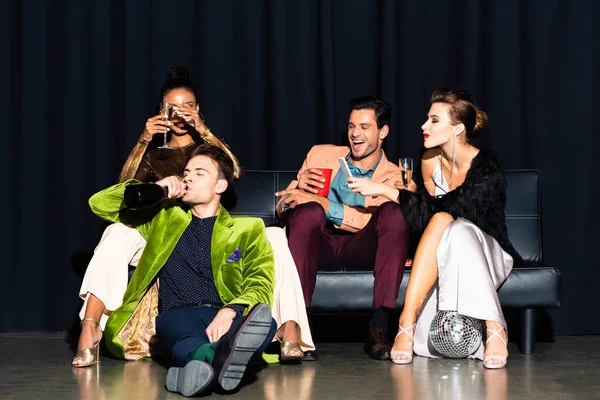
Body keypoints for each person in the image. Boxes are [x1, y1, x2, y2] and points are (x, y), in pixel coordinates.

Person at [72, 66, 314, 367]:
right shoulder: (155, 152)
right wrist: (143, 141)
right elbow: (125, 193)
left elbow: (233, 172)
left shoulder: (208, 147)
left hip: (206, 227)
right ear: (162, 111)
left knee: (275, 235)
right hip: (160, 226)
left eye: (188, 106)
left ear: (197, 109)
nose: (180, 113)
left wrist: (204, 130)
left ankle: (289, 327)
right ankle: (91, 325)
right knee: (116, 231)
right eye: (172, 107)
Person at [348, 88, 521, 369]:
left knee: (454, 225)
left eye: (434, 120)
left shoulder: (489, 165)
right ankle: (410, 322)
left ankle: (490, 327)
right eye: (427, 119)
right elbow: (428, 218)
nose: (423, 126)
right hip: (445, 258)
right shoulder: (429, 161)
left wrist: (387, 191)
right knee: (442, 222)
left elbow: (457, 209)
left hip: (489, 255)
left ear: (458, 129)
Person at [89, 144, 277, 396]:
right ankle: (221, 358)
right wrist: (158, 189)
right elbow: (100, 204)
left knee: (267, 323)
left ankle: (194, 369)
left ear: (220, 186)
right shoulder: (163, 218)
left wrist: (230, 311)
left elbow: (260, 282)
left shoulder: (248, 229)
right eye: (186, 172)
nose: (188, 177)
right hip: (180, 313)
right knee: (180, 331)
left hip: (226, 314)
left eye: (200, 173)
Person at [276, 96, 410, 360]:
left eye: (364, 127)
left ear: (383, 131)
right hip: (319, 243)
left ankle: (379, 326)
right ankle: (300, 328)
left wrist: (323, 203)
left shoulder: (394, 176)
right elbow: (283, 210)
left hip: (363, 246)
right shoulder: (320, 154)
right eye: (351, 126)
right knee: (308, 211)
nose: (355, 134)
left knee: (394, 213)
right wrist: (298, 190)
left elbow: (367, 220)